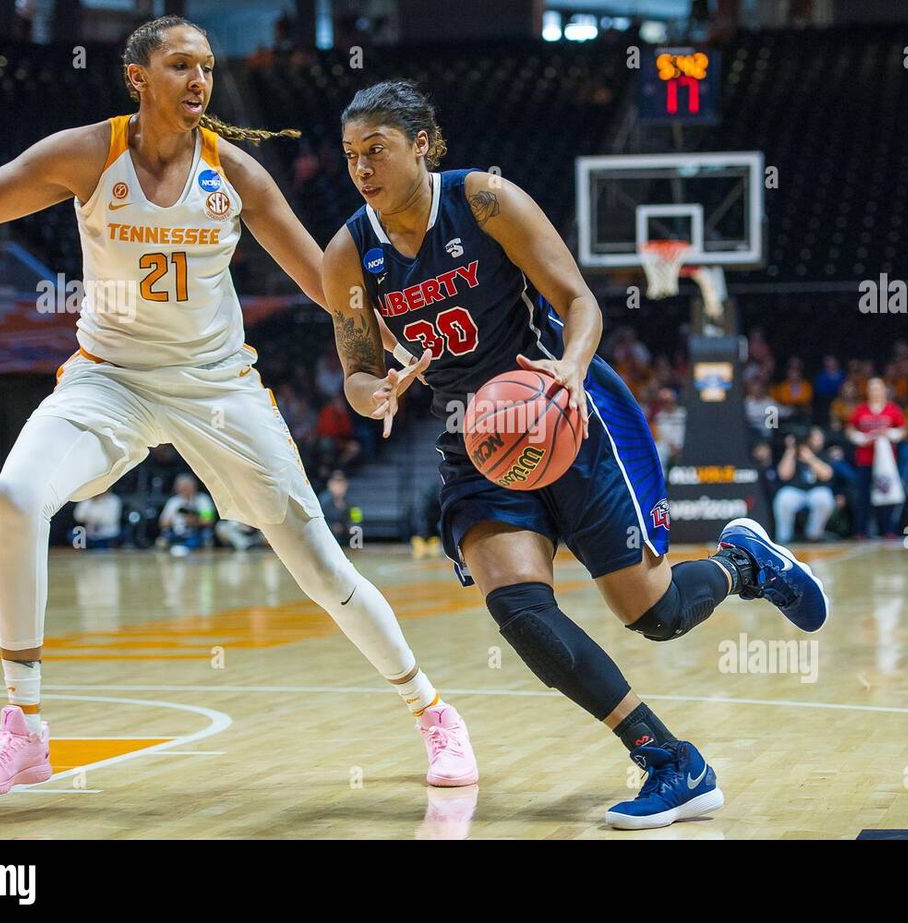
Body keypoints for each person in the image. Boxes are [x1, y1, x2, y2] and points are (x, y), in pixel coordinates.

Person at [0, 15, 475, 796]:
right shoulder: (88, 153)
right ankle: (24, 730)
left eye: (206, 66)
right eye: (180, 65)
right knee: (13, 496)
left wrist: (391, 344)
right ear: (138, 77)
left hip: (216, 386)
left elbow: (322, 280)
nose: (199, 79)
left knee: (317, 561)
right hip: (110, 377)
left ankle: (433, 713)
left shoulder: (234, 173)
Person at [322, 80, 828, 830]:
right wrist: (375, 393)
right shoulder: (348, 252)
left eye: (377, 149)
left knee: (654, 616)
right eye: (351, 155)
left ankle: (742, 564)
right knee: (519, 607)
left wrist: (573, 366)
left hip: (565, 413)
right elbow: (358, 368)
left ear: (420, 144)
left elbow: (580, 301)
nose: (362, 167)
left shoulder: (485, 200)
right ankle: (669, 759)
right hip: (476, 443)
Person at [846, 378, 907, 538]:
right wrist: (862, 438)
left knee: (886, 495)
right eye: (872, 388)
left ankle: (887, 530)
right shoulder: (861, 410)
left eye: (878, 388)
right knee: (863, 496)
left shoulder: (892, 409)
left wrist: (890, 434)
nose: (875, 392)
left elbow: (903, 431)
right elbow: (850, 430)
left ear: (884, 391)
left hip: (886, 462)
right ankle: (861, 531)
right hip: (865, 459)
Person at [772, 428, 835, 543]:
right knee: (783, 498)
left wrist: (810, 457)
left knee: (824, 498)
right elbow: (783, 475)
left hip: (815, 491)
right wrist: (790, 449)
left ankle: (814, 536)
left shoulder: (822, 453)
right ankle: (783, 538)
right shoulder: (791, 453)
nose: (817, 440)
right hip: (796, 491)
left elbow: (827, 475)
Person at [157, 473, 214, 553]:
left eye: (187, 487)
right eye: (182, 487)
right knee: (162, 541)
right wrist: (173, 520)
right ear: (177, 488)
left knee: (202, 538)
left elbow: (209, 521)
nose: (185, 490)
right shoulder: (173, 502)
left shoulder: (203, 500)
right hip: (176, 532)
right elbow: (162, 523)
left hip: (196, 533)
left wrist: (195, 521)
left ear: (194, 487)